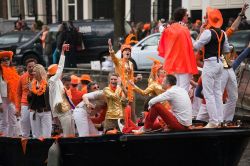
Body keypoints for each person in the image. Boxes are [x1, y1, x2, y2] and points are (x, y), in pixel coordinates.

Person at [193, 7, 230, 128]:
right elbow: (226, 50)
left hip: (210, 63)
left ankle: (214, 121)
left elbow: (196, 46)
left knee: (208, 94)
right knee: (217, 93)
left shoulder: (208, 33)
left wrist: (200, 32)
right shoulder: (223, 33)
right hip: (220, 63)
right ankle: (219, 119)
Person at [158, 8, 198, 92]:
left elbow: (161, 30)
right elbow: (192, 46)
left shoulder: (170, 28)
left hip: (173, 63)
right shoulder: (184, 29)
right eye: (187, 15)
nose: (188, 17)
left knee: (175, 89)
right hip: (184, 63)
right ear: (183, 17)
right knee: (183, 90)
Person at [48, 43, 75, 137]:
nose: (62, 72)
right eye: (59, 71)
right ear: (56, 73)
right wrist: (63, 52)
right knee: (68, 134)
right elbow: (60, 66)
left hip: (67, 110)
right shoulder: (53, 80)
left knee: (72, 133)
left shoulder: (56, 81)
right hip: (63, 111)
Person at [27, 64, 52, 138]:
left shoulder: (48, 84)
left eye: (34, 71)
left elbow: (51, 98)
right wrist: (30, 92)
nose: (32, 73)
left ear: (39, 72)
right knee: (36, 136)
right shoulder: (32, 83)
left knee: (46, 136)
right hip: (35, 112)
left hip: (45, 112)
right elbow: (29, 100)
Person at [0, 51, 19, 137]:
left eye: (8, 59)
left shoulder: (13, 71)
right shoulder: (0, 72)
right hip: (3, 99)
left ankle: (12, 138)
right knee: (4, 121)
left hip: (12, 99)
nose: (6, 61)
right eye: (3, 60)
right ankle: (4, 139)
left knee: (13, 120)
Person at [16, 59, 37, 137]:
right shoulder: (22, 77)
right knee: (24, 123)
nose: (31, 68)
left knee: (35, 128)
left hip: (36, 104)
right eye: (29, 67)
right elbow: (18, 94)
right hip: (25, 103)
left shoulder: (40, 77)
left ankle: (36, 145)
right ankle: (24, 144)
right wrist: (18, 108)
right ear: (26, 68)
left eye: (33, 66)